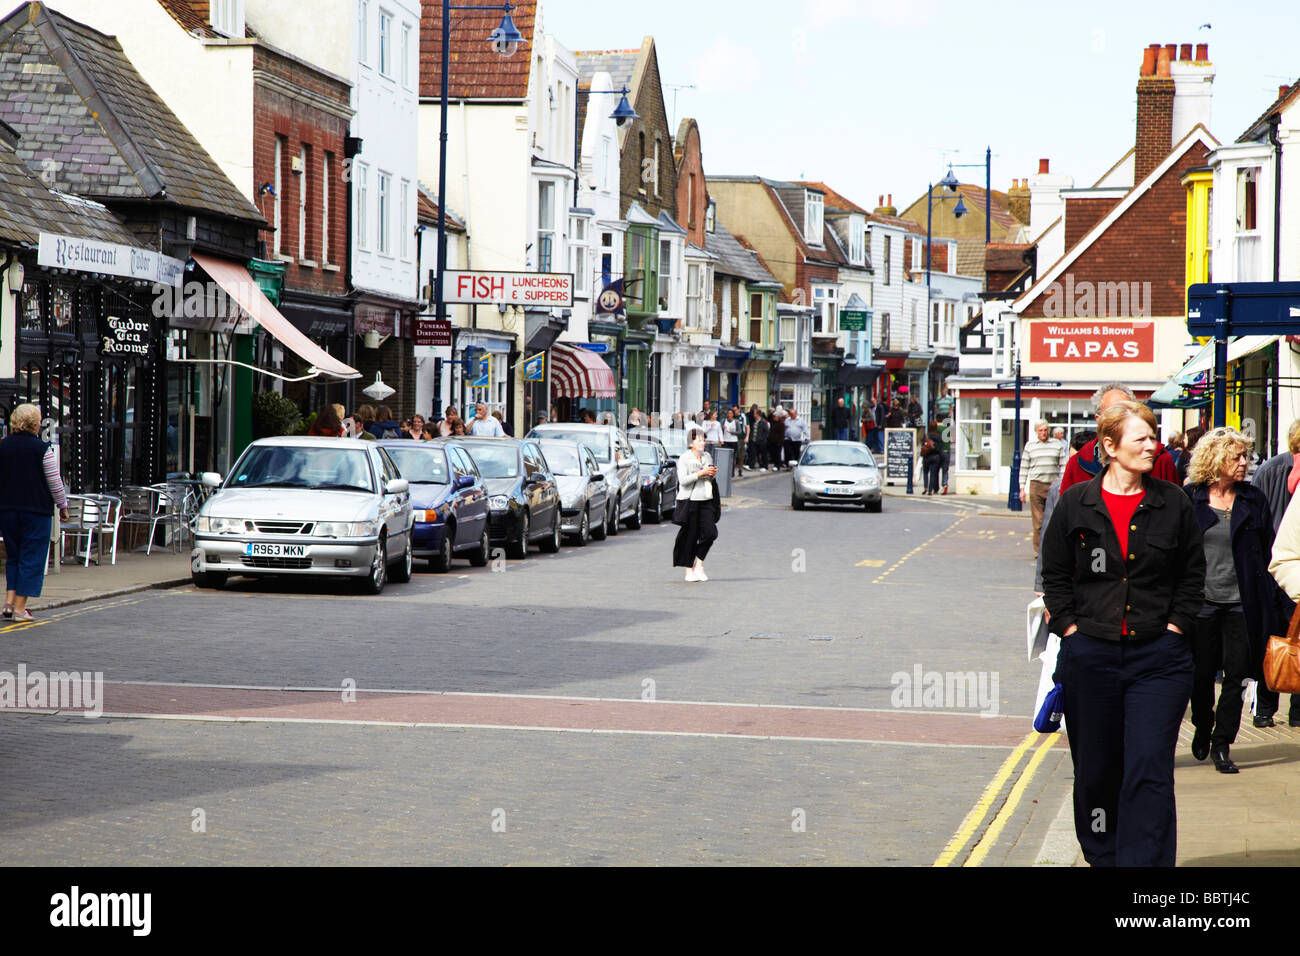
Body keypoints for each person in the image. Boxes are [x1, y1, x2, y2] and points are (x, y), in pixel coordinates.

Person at [1040, 400, 1204, 866]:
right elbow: (1055, 575)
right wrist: (1070, 629)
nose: (1153, 446)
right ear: (1110, 447)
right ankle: (1105, 856)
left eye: (1154, 437)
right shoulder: (1076, 502)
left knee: (1149, 768)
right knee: (1096, 772)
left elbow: (1193, 575)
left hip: (1160, 660)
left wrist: (1175, 627)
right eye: (1141, 438)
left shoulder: (1173, 502)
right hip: (1090, 657)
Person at [1184, 427, 1286, 773]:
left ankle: (1222, 742)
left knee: (1238, 674)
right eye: (1237, 457)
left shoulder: (1252, 499)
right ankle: (1202, 723)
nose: (1244, 463)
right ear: (1215, 459)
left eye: (1246, 456)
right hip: (1201, 603)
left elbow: (1270, 549)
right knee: (1200, 674)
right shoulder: (1191, 498)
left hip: (1243, 602)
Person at [1250, 419, 1300, 726]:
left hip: (1282, 568)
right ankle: (1266, 708)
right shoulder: (1273, 469)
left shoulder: (1271, 468)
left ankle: (1291, 711)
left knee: (1289, 639)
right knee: (1277, 636)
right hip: (1277, 568)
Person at [0, 404, 69, 623]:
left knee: (14, 556)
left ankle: (9, 602)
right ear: (35, 424)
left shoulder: (3, 446)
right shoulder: (42, 449)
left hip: (7, 511)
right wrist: (63, 505)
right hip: (36, 512)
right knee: (32, 559)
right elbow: (54, 481)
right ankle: (20, 610)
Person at [1059, 384, 1178, 493]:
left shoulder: (1160, 459)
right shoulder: (1078, 462)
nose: (1122, 419)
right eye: (1113, 414)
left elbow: (1174, 505)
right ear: (1098, 420)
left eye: (1128, 413)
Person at [673, 428, 720, 582]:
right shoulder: (684, 458)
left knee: (711, 533)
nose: (703, 443)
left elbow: (710, 479)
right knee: (690, 536)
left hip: (706, 498)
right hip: (690, 501)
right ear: (691, 443)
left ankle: (699, 564)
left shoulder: (707, 456)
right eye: (699, 440)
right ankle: (689, 571)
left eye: (704, 440)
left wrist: (711, 474)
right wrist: (700, 473)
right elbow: (683, 481)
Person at [1020, 420, 1069, 555]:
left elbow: (1063, 466)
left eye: (1045, 430)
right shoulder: (1030, 446)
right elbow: (1024, 468)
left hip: (1053, 485)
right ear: (1036, 432)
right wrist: (1022, 488)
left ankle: (1053, 548)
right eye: (1040, 430)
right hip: (1036, 485)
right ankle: (1039, 550)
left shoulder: (1057, 445)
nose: (1043, 433)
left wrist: (1063, 483)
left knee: (1054, 519)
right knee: (1039, 521)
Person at [921, 420, 943, 495]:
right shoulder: (938, 436)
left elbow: (922, 445)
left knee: (925, 472)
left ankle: (925, 487)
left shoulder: (926, 436)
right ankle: (930, 490)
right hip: (935, 456)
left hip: (927, 456)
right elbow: (940, 448)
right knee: (933, 474)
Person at [725, 407, 746, 477]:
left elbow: (741, 430)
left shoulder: (739, 419)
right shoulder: (724, 420)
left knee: (737, 457)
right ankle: (727, 472)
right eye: (728, 413)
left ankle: (736, 471)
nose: (729, 414)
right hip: (726, 440)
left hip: (737, 440)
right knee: (727, 458)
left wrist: (732, 432)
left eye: (731, 413)